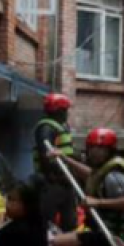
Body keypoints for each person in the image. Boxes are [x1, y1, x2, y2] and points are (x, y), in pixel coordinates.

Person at [50, 127, 124, 246]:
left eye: (100, 149)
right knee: (63, 242)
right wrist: (65, 159)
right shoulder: (102, 172)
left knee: (52, 242)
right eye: (92, 148)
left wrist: (98, 202)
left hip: (108, 238)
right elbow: (91, 175)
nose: (94, 153)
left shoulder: (114, 176)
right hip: (100, 233)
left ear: (109, 151)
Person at [33, 93, 78, 232]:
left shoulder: (61, 126)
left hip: (66, 181)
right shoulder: (46, 128)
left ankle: (68, 244)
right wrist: (52, 177)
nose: (66, 113)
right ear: (58, 110)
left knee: (70, 221)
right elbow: (45, 154)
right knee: (47, 221)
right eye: (65, 110)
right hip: (53, 182)